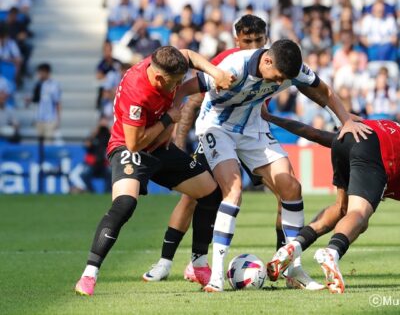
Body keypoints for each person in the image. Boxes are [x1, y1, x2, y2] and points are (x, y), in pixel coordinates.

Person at [176, 38, 372, 292]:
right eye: (278, 77)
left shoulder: (291, 67)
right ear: (267, 60)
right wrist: (172, 109)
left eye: (284, 80)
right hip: (217, 127)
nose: (280, 83)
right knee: (233, 191)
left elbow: (324, 91)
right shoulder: (235, 67)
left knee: (291, 187)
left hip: (253, 127)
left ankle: (294, 270)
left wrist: (344, 119)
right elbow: (185, 89)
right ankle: (215, 277)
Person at [74, 46, 234, 296]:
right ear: (159, 78)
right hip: (131, 149)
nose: (179, 85)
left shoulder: (162, 62)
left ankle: (198, 264)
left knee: (210, 192)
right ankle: (89, 274)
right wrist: (169, 119)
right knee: (125, 204)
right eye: (175, 82)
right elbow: (134, 143)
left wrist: (215, 72)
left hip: (160, 145)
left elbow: (188, 55)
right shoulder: (136, 92)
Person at [142, 15, 281, 287]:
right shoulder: (226, 61)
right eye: (247, 41)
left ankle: (281, 262)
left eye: (258, 40)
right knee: (192, 198)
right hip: (220, 132)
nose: (252, 45)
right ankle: (166, 262)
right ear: (236, 39)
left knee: (284, 190)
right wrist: (179, 139)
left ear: (266, 39)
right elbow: (194, 97)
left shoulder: (273, 62)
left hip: (252, 134)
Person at [263, 108, 400, 293]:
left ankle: (293, 246)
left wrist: (271, 118)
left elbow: (315, 134)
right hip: (374, 150)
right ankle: (332, 252)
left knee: (341, 209)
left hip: (346, 138)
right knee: (358, 215)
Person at [31, 63, 61, 142]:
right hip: (38, 118)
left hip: (49, 119)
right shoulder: (38, 84)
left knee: (48, 144)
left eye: (41, 72)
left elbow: (57, 102)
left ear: (47, 72)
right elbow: (36, 101)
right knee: (38, 145)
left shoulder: (54, 85)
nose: (39, 75)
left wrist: (58, 119)